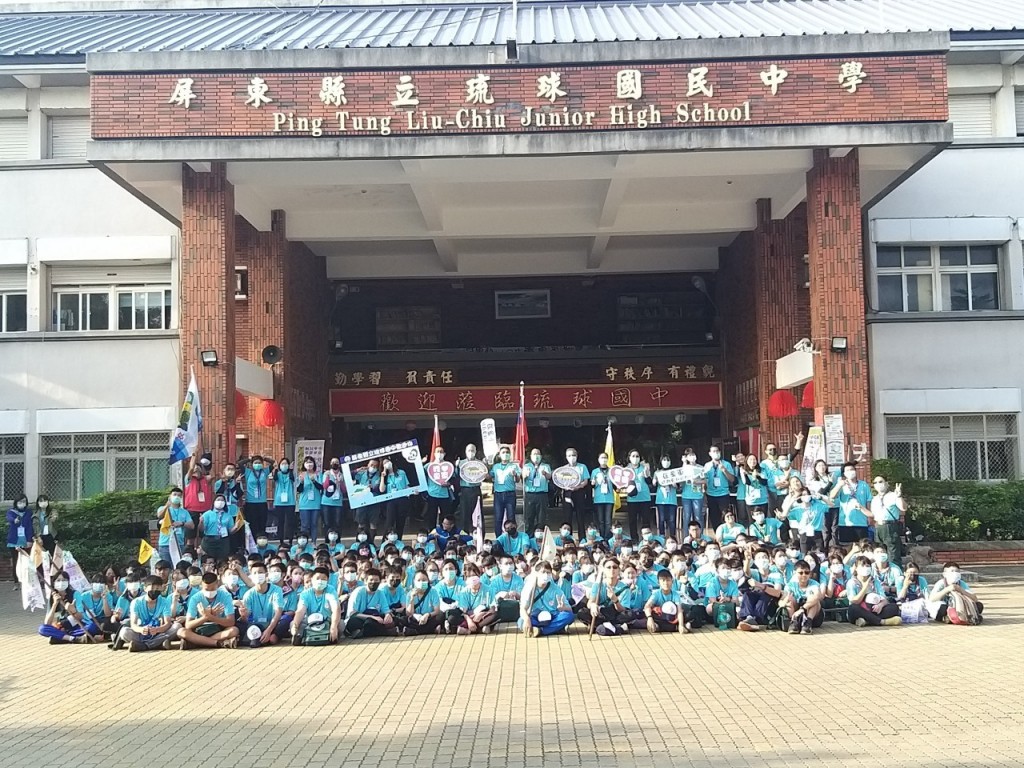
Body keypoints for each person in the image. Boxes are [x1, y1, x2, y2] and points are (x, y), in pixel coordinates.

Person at [181, 572, 240, 649]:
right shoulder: (195, 598)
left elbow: (231, 622)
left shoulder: (226, 596)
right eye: (206, 589)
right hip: (199, 629)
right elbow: (188, 625)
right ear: (201, 585)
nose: (209, 592)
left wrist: (211, 617)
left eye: (212, 589)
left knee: (234, 630)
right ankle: (218, 643)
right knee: (181, 632)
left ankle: (197, 642)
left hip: (218, 629)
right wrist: (205, 618)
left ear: (217, 584)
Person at [520, 561, 575, 638]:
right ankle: (556, 629)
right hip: (535, 616)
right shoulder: (529, 587)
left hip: (552, 616)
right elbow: (523, 608)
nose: (546, 575)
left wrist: (563, 608)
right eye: (543, 572)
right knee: (521, 621)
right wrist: (527, 619)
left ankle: (540, 631)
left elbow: (569, 609)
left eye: (548, 572)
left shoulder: (555, 589)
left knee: (569, 616)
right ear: (536, 573)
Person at [846, 555, 902, 627]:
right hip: (860, 609)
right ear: (856, 568)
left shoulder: (875, 581)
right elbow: (855, 601)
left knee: (894, 607)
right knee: (853, 608)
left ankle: (867, 621)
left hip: (874, 609)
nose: (865, 568)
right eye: (862, 566)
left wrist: (880, 605)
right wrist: (865, 587)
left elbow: (884, 599)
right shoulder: (852, 582)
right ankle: (882, 622)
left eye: (867, 566)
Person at [123, 575, 174, 652]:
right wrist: (141, 629)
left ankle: (143, 646)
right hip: (141, 633)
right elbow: (133, 624)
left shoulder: (165, 601)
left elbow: (168, 623)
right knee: (124, 632)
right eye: (152, 588)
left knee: (177, 627)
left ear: (161, 588)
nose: (154, 590)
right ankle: (157, 644)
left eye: (157, 588)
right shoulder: (136, 602)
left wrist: (157, 629)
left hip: (158, 632)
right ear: (145, 588)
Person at [291, 566, 341, 645]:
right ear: (312, 579)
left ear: (328, 580)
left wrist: (333, 626)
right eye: (317, 578)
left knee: (341, 625)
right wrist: (295, 625)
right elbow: (300, 611)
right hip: (310, 623)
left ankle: (331, 636)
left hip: (327, 621)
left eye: (323, 579)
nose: (320, 581)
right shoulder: (305, 594)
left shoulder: (331, 590)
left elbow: (336, 608)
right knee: (292, 624)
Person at [238, 562, 283, 646]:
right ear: (251, 576)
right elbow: (246, 618)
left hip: (272, 624)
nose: (258, 575)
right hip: (256, 625)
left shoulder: (277, 590)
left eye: (260, 572)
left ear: (266, 574)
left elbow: (278, 611)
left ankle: (271, 637)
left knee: (284, 621)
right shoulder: (248, 594)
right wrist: (243, 616)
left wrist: (269, 630)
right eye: (255, 573)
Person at [345, 567, 398, 638]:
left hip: (375, 619)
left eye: (376, 580)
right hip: (360, 619)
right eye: (371, 580)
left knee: (394, 619)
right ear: (365, 581)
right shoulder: (358, 592)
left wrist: (387, 615)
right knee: (363, 622)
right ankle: (386, 632)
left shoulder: (380, 593)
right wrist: (372, 617)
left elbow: (386, 610)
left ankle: (363, 632)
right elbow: (352, 613)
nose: (373, 582)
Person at [829, 462, 872, 543]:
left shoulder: (864, 485)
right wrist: (839, 485)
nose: (850, 472)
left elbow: (868, 501)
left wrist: (869, 517)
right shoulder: (842, 485)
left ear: (855, 471)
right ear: (844, 473)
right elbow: (832, 496)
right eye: (847, 470)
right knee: (847, 546)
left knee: (863, 546)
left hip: (861, 522)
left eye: (852, 469)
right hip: (845, 522)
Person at [870, 475, 906, 566]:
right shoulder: (874, 499)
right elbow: (873, 514)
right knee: (879, 552)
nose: (878, 484)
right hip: (878, 526)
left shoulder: (893, 495)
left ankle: (896, 570)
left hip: (890, 526)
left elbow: (903, 508)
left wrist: (899, 496)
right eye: (875, 482)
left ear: (886, 483)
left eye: (880, 481)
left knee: (892, 554)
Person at [781, 560, 823, 635]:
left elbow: (817, 597)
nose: (804, 575)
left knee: (814, 599)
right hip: (795, 611)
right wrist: (785, 601)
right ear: (795, 573)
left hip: (812, 614)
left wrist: (802, 609)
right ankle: (794, 622)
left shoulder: (814, 584)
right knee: (789, 599)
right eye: (801, 573)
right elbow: (781, 601)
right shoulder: (790, 585)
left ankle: (808, 623)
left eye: (807, 572)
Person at [643, 569, 688, 634]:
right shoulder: (656, 594)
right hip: (660, 618)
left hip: (673, 618)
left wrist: (681, 625)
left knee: (687, 616)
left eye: (668, 580)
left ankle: (679, 626)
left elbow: (679, 610)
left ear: (672, 581)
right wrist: (649, 618)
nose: (666, 583)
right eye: (663, 580)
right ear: (658, 582)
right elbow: (647, 606)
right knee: (652, 625)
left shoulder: (675, 594)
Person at [806, 460, 839, 550]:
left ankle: (835, 548)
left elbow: (843, 469)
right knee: (825, 529)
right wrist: (830, 483)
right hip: (823, 507)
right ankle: (825, 549)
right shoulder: (814, 480)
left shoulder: (831, 476)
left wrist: (855, 461)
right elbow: (822, 492)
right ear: (815, 468)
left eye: (823, 465)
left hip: (834, 505)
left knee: (835, 528)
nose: (822, 467)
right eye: (819, 466)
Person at [183, 454, 213, 546]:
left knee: (203, 535)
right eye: (195, 468)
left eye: (198, 467)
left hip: (205, 510)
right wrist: (194, 455)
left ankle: (201, 551)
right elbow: (191, 469)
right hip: (191, 510)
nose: (196, 469)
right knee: (190, 536)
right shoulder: (188, 479)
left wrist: (206, 463)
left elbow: (211, 474)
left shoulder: (206, 479)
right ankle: (190, 550)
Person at [198, 493, 238, 563]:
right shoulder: (207, 514)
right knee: (209, 561)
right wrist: (201, 522)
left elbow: (230, 531)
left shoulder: (228, 516)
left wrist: (236, 527)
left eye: (222, 500)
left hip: (223, 541)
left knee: (222, 561)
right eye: (218, 500)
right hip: (209, 541)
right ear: (214, 502)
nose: (220, 502)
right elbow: (201, 529)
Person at [156, 488, 193, 564]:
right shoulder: (163, 508)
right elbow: (159, 515)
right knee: (165, 565)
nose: (176, 497)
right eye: (174, 495)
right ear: (170, 496)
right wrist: (167, 505)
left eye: (179, 495)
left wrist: (182, 523)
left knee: (178, 565)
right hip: (165, 543)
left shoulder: (184, 512)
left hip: (179, 543)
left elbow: (192, 525)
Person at [702, 446, 735, 529]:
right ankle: (717, 534)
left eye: (717, 451)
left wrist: (724, 470)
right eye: (713, 451)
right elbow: (704, 480)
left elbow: (732, 479)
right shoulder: (707, 465)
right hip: (711, 495)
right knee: (714, 518)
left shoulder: (726, 464)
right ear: (710, 454)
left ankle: (726, 533)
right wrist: (704, 491)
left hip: (723, 494)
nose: (716, 453)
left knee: (725, 516)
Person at [490, 445, 521, 535]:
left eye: (507, 453)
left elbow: (518, 480)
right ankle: (499, 538)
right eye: (503, 452)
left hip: (510, 494)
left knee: (511, 517)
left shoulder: (514, 466)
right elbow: (490, 475)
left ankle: (512, 536)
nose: (505, 454)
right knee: (498, 518)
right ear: (499, 455)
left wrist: (515, 475)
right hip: (498, 495)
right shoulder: (496, 466)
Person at [561, 448, 590, 538]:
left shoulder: (582, 467)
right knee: (567, 516)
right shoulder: (564, 469)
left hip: (579, 493)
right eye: (569, 455)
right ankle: (568, 538)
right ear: (566, 457)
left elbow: (585, 481)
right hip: (568, 493)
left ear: (577, 456)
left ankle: (582, 538)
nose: (571, 457)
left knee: (580, 516)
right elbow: (560, 481)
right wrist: (565, 487)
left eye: (573, 455)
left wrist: (578, 487)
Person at [623, 450, 652, 542]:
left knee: (645, 520)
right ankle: (634, 539)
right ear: (629, 458)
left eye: (637, 456)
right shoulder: (626, 470)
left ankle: (646, 539)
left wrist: (646, 475)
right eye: (633, 456)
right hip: (632, 499)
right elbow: (622, 484)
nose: (635, 458)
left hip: (645, 498)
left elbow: (650, 482)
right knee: (632, 521)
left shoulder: (644, 467)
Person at [404, 569, 444, 635]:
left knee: (440, 616)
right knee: (406, 619)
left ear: (428, 581)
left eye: (424, 580)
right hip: (416, 619)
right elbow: (409, 613)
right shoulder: (410, 594)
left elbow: (437, 610)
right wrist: (412, 599)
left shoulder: (433, 592)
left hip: (429, 617)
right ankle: (431, 630)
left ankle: (416, 631)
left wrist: (427, 615)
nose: (421, 582)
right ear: (414, 581)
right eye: (418, 580)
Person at [455, 444, 484, 533]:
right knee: (464, 513)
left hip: (476, 489)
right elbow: (456, 476)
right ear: (465, 452)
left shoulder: (480, 463)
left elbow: (484, 475)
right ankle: (464, 534)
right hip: (465, 490)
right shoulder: (461, 463)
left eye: (472, 450)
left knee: (478, 512)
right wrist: (456, 467)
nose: (471, 452)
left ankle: (479, 534)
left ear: (475, 452)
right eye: (469, 450)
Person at [522, 448, 551, 534]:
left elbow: (549, 477)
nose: (536, 456)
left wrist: (545, 474)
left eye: (538, 454)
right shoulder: (527, 466)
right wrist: (525, 475)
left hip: (542, 494)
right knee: (529, 516)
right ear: (531, 456)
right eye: (534, 454)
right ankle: (529, 535)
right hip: (530, 494)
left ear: (541, 456)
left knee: (541, 517)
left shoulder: (546, 466)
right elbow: (522, 478)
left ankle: (540, 535)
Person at [381, 457, 412, 539]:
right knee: (389, 521)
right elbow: (382, 489)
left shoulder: (401, 472)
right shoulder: (385, 476)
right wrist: (382, 477)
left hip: (402, 499)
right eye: (384, 463)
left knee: (400, 522)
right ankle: (386, 541)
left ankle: (398, 540)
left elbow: (407, 485)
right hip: (391, 500)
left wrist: (412, 491)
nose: (387, 464)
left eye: (387, 462)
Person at [6, 494, 32, 587]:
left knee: (25, 562)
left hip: (25, 541)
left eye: (24, 501)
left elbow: (30, 527)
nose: (22, 503)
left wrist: (29, 540)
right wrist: (14, 520)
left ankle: (25, 581)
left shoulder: (28, 513)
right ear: (16, 502)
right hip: (14, 541)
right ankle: (16, 582)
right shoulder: (11, 512)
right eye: (20, 502)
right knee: (16, 561)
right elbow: (9, 517)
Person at [296, 457, 324, 543]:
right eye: (307, 462)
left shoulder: (318, 474)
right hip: (304, 504)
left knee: (314, 524)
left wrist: (314, 481)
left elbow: (321, 487)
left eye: (311, 462)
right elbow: (299, 490)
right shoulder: (301, 475)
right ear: (304, 464)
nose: (309, 464)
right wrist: (301, 482)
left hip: (315, 504)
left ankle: (313, 542)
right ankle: (303, 542)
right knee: (304, 525)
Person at [652, 455, 679, 539]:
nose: (666, 461)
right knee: (661, 519)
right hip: (661, 499)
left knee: (672, 519)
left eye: (667, 460)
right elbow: (654, 484)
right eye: (664, 460)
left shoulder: (674, 472)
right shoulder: (657, 472)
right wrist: (654, 481)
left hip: (671, 500)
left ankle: (672, 536)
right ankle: (662, 535)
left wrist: (674, 484)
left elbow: (678, 486)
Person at [270, 457, 297, 542]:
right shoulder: (278, 474)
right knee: (280, 522)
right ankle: (281, 540)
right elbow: (275, 479)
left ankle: (290, 540)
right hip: (279, 502)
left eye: (286, 464)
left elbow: (292, 479)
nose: (284, 465)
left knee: (290, 522)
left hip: (290, 501)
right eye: (282, 464)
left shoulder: (291, 473)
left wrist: (291, 470)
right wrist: (275, 469)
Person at [243, 455, 270, 538]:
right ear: (252, 464)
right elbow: (240, 464)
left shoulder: (264, 472)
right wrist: (249, 459)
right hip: (250, 502)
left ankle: (262, 541)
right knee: (252, 524)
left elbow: (273, 463)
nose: (257, 464)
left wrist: (265, 458)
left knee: (262, 523)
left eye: (259, 463)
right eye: (255, 463)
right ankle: (253, 542)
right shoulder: (248, 472)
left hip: (262, 502)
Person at [678, 449, 705, 529]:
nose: (692, 457)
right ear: (686, 457)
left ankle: (700, 534)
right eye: (690, 455)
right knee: (686, 517)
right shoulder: (684, 467)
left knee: (698, 517)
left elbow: (705, 480)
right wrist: (684, 463)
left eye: (693, 455)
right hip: (686, 496)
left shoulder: (700, 467)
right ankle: (687, 535)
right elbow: (680, 480)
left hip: (697, 496)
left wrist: (698, 481)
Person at [590, 453, 615, 539]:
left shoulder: (611, 471)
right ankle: (601, 538)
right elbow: (592, 485)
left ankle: (607, 538)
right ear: (598, 459)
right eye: (602, 458)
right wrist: (593, 483)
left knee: (608, 521)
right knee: (600, 520)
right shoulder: (595, 471)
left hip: (609, 498)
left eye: (605, 458)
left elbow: (615, 484)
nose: (603, 459)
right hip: (598, 498)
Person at [321, 457, 345, 535]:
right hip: (327, 502)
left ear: (339, 465)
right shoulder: (326, 473)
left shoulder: (341, 475)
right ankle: (327, 539)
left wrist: (340, 482)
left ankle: (337, 539)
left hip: (338, 502)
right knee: (327, 523)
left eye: (336, 462)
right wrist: (328, 477)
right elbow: (324, 487)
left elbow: (344, 490)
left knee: (337, 522)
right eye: (333, 462)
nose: (334, 464)